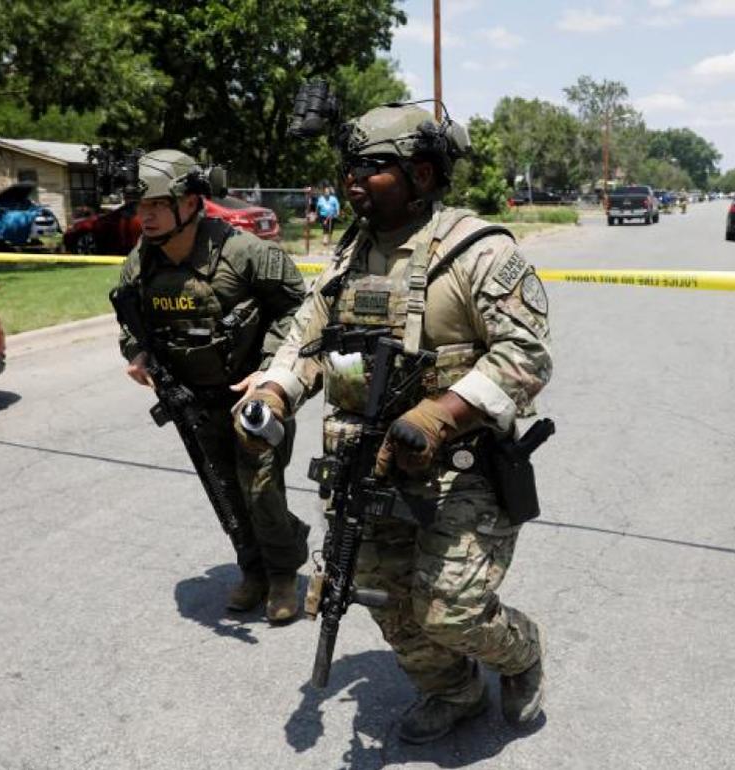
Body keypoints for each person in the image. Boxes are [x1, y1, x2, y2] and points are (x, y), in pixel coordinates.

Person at [234, 103, 554, 743]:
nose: (353, 180)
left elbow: (525, 355)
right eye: (349, 167)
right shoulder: (350, 254)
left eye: (373, 168)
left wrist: (441, 414)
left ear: (424, 174)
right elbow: (308, 340)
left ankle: (520, 654)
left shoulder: (478, 250)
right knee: (384, 599)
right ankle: (453, 690)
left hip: (466, 472)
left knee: (449, 610)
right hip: (367, 468)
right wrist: (271, 392)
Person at [115, 149, 311, 622]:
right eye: (141, 206)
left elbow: (297, 310)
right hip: (191, 400)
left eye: (158, 204)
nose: (147, 215)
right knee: (223, 490)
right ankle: (254, 569)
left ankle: (283, 573)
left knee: (261, 488)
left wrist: (269, 369)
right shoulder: (140, 265)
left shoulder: (245, 252)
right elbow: (129, 321)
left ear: (191, 201)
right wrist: (136, 353)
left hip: (253, 396)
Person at [315, 182, 340, 250]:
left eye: (328, 192)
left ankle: (329, 240)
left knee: (331, 228)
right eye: (326, 192)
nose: (327, 193)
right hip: (323, 215)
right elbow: (318, 207)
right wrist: (316, 214)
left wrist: (338, 212)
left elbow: (337, 205)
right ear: (324, 192)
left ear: (329, 192)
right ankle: (325, 240)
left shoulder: (333, 198)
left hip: (332, 216)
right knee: (325, 227)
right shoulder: (321, 198)